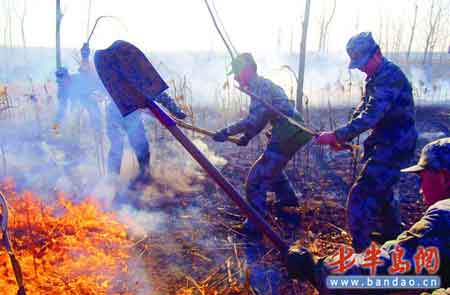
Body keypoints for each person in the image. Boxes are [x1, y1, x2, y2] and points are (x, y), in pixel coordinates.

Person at [287, 137, 450, 294]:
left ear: (445, 177)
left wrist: (319, 269)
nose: (420, 188)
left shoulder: (444, 214)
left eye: (422, 179)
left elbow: (389, 267)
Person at [315, 32, 417, 252]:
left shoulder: (389, 76)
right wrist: (343, 136)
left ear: (377, 53)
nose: (361, 68)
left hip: (395, 145)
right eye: (357, 64)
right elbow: (363, 109)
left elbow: (371, 116)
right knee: (384, 193)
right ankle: (395, 241)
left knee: (360, 195)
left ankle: (362, 256)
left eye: (363, 62)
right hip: (387, 143)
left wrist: (336, 135)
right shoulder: (376, 76)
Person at [55, 43, 186, 187]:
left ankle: (145, 176)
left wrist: (174, 109)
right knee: (116, 147)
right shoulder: (95, 78)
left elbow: (156, 91)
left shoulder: (132, 73)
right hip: (114, 111)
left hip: (131, 113)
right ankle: (112, 182)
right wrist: (84, 58)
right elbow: (80, 91)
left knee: (140, 144)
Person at [212, 53, 312, 237]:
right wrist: (247, 137)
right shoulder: (262, 86)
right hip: (292, 132)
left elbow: (254, 119)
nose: (235, 77)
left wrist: (227, 132)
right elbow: (260, 119)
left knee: (255, 180)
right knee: (273, 170)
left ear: (248, 70)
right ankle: (288, 205)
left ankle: (256, 223)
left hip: (287, 133)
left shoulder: (260, 88)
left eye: (237, 72)